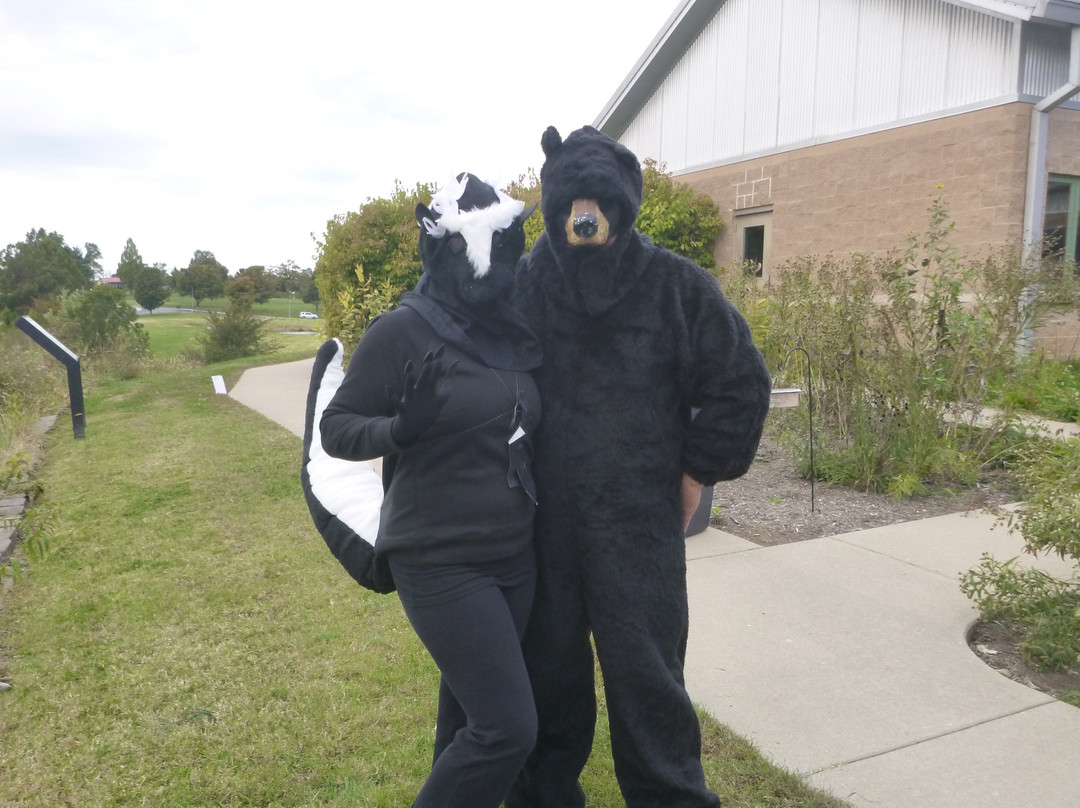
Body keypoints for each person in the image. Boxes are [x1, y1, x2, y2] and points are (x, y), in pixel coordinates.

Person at [506, 126, 772, 808]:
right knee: (546, 675)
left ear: (623, 205)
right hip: (539, 522)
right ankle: (543, 796)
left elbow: (739, 382)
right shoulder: (521, 286)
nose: (586, 216)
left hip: (637, 524)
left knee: (648, 680)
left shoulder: (676, 287)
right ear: (555, 203)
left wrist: (695, 474)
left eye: (599, 202)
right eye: (574, 202)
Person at [319, 173, 541, 808]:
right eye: (495, 243)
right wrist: (399, 429)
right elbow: (337, 428)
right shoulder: (403, 330)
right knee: (506, 729)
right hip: (439, 557)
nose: (508, 257)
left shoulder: (508, 329)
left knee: (468, 721)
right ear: (457, 250)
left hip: (513, 555)